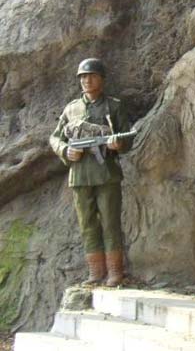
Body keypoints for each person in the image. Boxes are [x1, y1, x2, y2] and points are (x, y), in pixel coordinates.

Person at [49, 58, 133, 287]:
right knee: (87, 224)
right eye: (83, 77)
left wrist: (118, 144)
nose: (87, 80)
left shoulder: (114, 106)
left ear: (102, 80)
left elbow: (128, 136)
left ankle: (115, 271)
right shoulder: (71, 109)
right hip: (79, 174)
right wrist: (66, 150)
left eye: (92, 76)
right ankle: (96, 272)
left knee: (110, 221)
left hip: (106, 172)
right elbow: (55, 137)